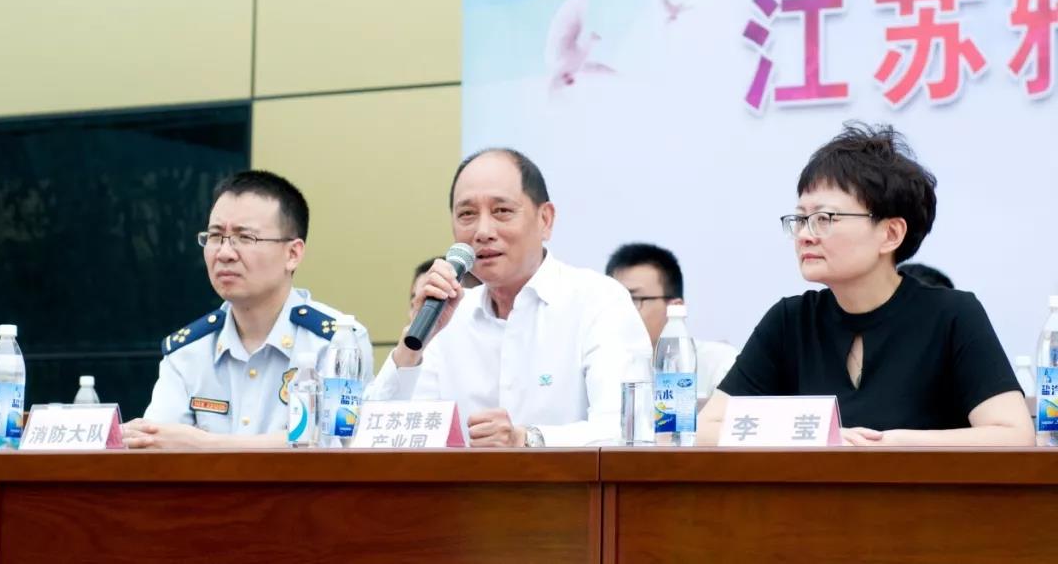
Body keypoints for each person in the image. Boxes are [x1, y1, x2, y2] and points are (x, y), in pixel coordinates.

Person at [697, 123, 1033, 446]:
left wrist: (894, 444)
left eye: (824, 218)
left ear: (891, 233)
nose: (804, 235)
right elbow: (707, 430)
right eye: (800, 218)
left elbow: (1014, 434)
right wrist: (816, 437)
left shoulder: (952, 315)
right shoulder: (789, 321)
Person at [368, 148, 651, 447]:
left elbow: (627, 430)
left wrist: (526, 440)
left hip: (566, 480)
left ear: (545, 220)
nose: (483, 232)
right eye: (467, 214)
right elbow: (380, 436)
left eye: (502, 211)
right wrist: (412, 346)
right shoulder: (449, 316)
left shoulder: (599, 301)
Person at [124, 170, 372, 448]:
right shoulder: (188, 350)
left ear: (292, 254)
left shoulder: (338, 342)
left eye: (245, 238)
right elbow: (154, 444)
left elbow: (337, 445)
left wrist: (206, 445)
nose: (225, 253)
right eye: (215, 236)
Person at [606, 242, 738, 396]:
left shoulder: (717, 362)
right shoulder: (599, 364)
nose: (621, 311)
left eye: (634, 299)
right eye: (615, 301)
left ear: (674, 307)